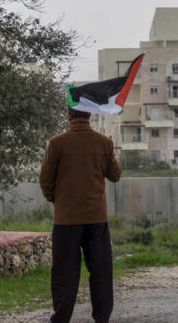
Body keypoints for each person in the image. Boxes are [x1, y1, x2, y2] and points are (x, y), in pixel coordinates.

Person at [39, 107, 121, 323]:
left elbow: (45, 180)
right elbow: (115, 175)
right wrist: (111, 152)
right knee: (101, 270)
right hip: (96, 219)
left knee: (65, 273)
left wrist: (57, 201)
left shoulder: (57, 143)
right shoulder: (104, 143)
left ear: (68, 116)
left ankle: (61, 318)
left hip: (66, 220)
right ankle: (102, 318)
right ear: (90, 116)